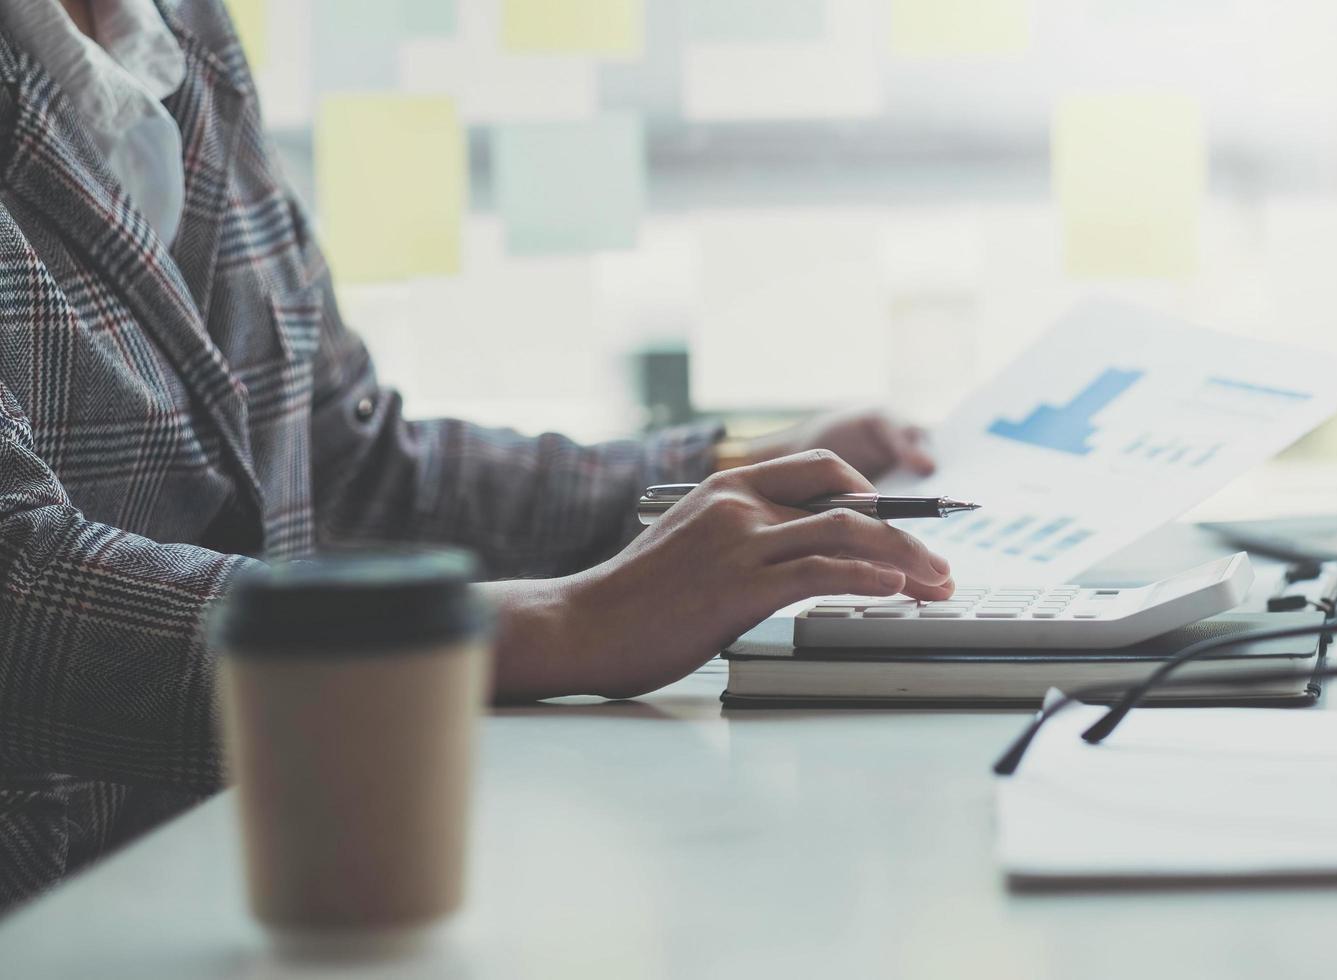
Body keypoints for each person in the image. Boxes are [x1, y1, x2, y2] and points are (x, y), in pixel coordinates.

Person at [0, 0, 955, 909]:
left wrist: (723, 469)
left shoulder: (175, 26)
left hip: (264, 874)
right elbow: (18, 585)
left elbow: (340, 464)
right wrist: (555, 624)